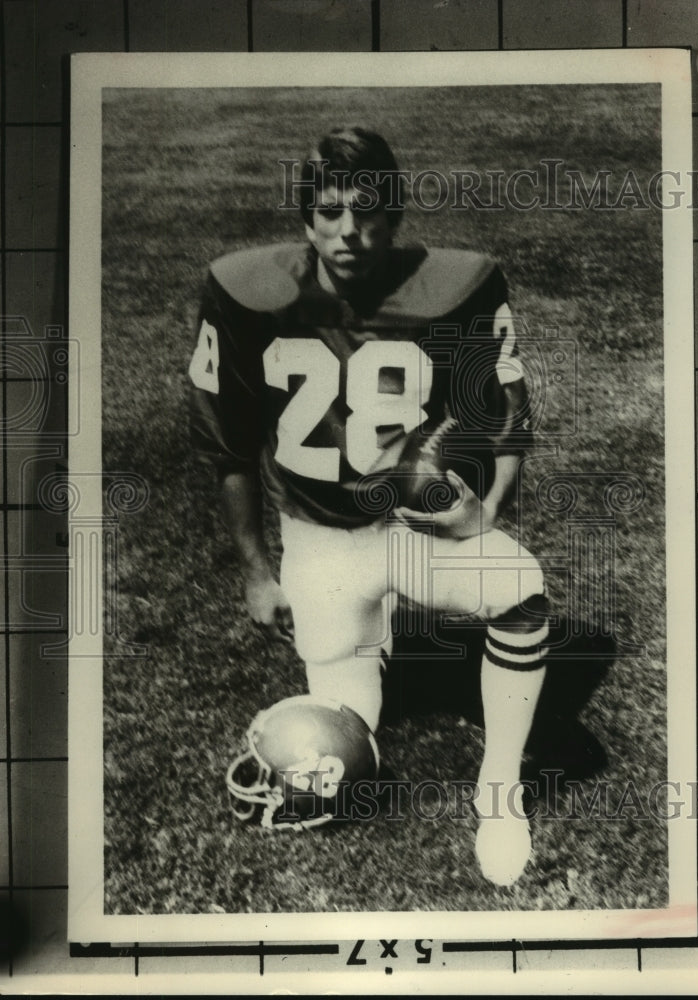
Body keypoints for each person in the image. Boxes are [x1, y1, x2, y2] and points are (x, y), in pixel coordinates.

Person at [188, 126, 550, 887]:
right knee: (346, 740)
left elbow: (507, 415)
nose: (347, 231)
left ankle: (500, 787)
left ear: (395, 214)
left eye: (367, 210)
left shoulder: (460, 284)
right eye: (328, 212)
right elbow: (228, 445)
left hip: (414, 523)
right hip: (319, 536)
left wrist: (483, 514)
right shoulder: (246, 291)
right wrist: (257, 568)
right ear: (304, 218)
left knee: (519, 589)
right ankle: (365, 642)